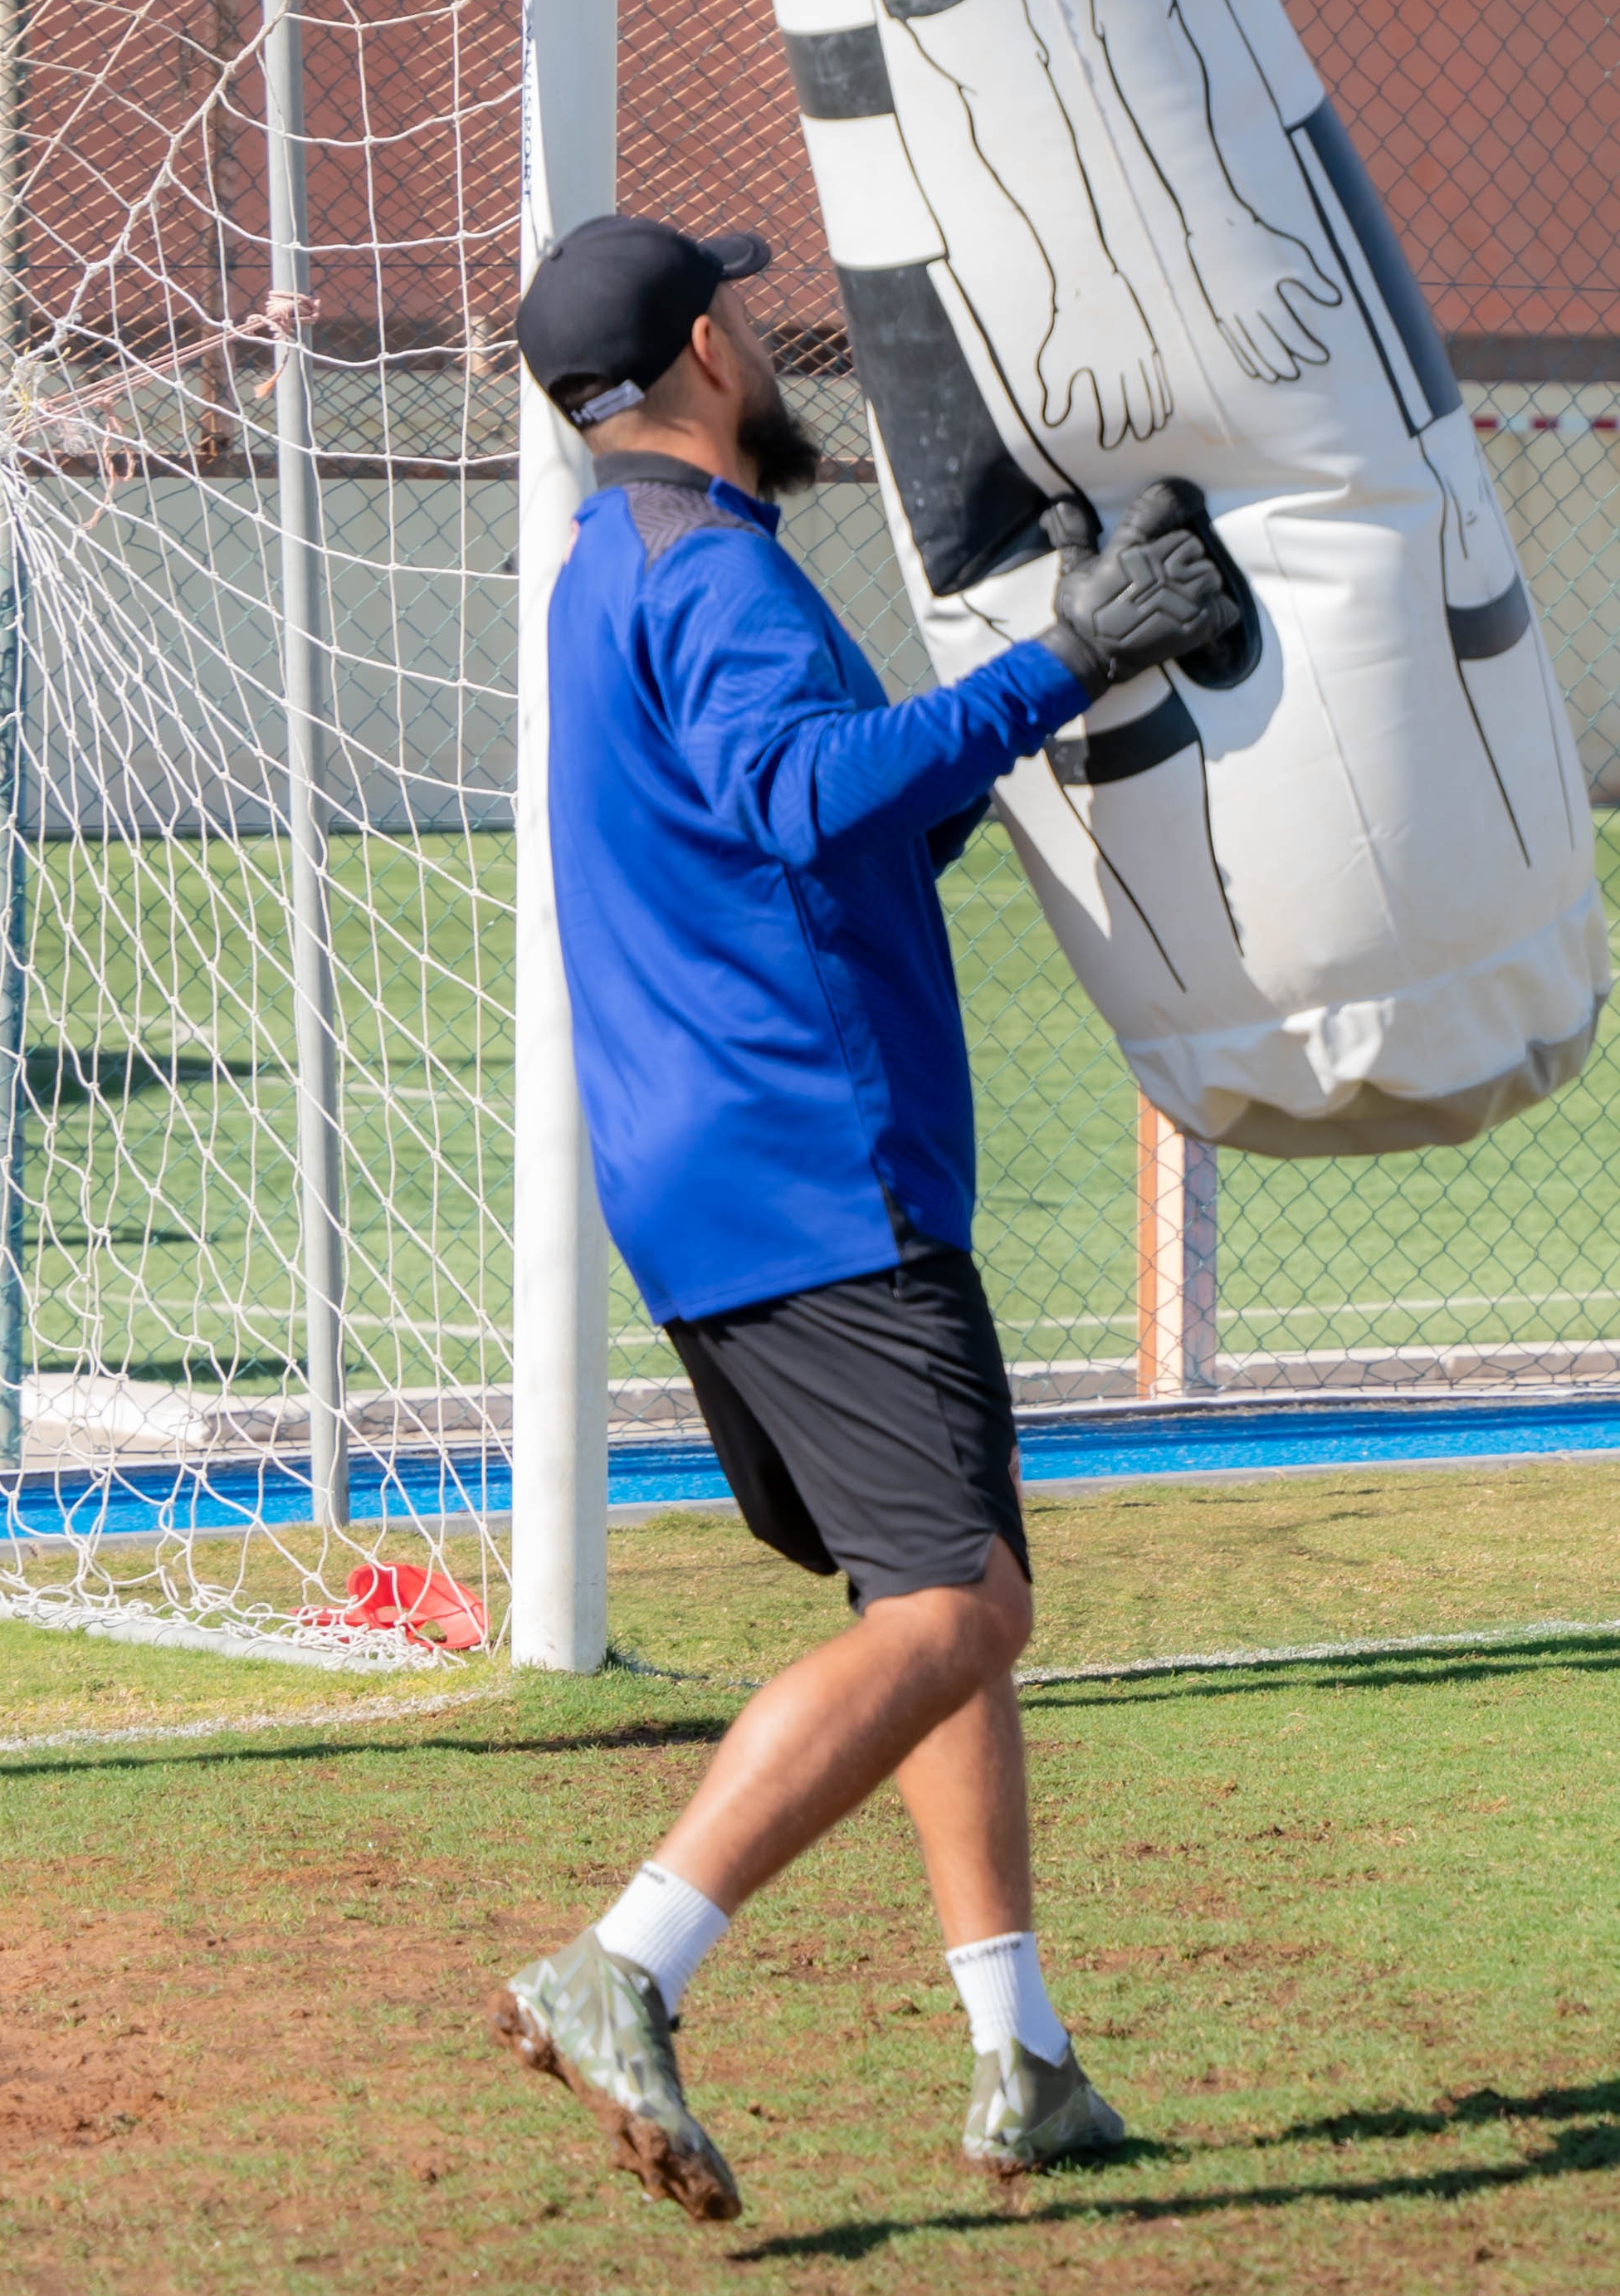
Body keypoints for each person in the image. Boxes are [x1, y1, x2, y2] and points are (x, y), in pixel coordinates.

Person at [487, 214, 1238, 2220]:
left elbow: (809, 810)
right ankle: (624, 1960)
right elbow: (810, 790)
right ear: (711, 351)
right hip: (818, 1165)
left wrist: (1011, 723)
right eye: (747, 313)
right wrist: (1069, 652)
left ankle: (1026, 2057)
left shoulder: (605, 569)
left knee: (928, 1593)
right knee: (959, 1607)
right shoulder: (716, 570)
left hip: (708, 1176)